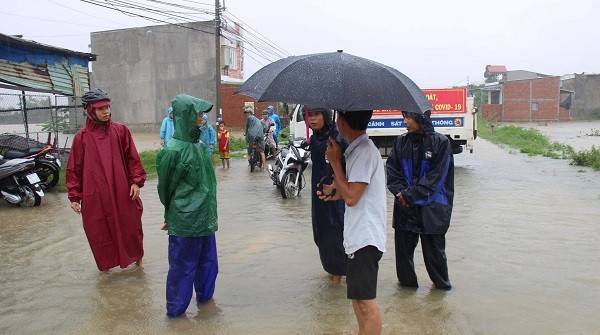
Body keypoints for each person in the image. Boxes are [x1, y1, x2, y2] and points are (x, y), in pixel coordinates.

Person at [318, 110, 387, 335]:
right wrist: (333, 192)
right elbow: (354, 191)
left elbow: (352, 197)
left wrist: (335, 162)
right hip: (358, 236)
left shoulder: (365, 152)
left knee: (366, 304)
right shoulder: (356, 150)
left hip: (365, 238)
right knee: (359, 302)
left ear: (342, 121)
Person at [66, 88, 147, 272]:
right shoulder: (82, 138)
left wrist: (135, 181)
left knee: (131, 225)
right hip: (95, 195)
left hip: (123, 191)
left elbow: (132, 158)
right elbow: (74, 168)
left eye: (108, 107)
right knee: (99, 231)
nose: (106, 112)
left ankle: (138, 264)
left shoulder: (120, 131)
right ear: (90, 110)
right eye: (100, 109)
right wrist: (74, 197)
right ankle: (106, 270)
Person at [156, 94, 219, 318]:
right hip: (184, 221)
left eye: (202, 115)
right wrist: (169, 215)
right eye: (198, 114)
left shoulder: (201, 147)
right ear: (186, 116)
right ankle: (175, 315)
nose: (202, 119)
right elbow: (165, 189)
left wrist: (211, 214)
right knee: (182, 271)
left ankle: (206, 307)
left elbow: (209, 184)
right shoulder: (171, 151)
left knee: (208, 266)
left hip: (205, 220)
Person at [385, 110, 454, 290]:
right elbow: (392, 171)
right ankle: (407, 297)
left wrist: (409, 195)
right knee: (403, 258)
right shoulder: (401, 142)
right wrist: (401, 193)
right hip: (404, 207)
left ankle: (441, 292)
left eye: (409, 117)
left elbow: (436, 178)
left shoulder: (441, 143)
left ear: (421, 118)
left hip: (433, 209)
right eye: (404, 117)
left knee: (435, 258)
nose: (405, 122)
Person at [306, 106, 348, 284]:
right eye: (309, 115)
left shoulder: (337, 139)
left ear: (326, 116)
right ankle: (333, 271)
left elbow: (347, 171)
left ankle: (338, 278)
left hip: (336, 196)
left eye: (316, 114)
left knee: (335, 234)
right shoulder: (315, 139)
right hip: (318, 195)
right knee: (321, 234)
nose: (312, 119)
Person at [243, 106, 266, 171]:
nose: (246, 114)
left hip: (252, 136)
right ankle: (264, 168)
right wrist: (263, 132)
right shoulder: (258, 120)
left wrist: (245, 133)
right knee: (262, 152)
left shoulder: (249, 118)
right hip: (260, 136)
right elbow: (265, 126)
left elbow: (247, 127)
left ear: (250, 113)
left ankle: (250, 164)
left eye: (247, 113)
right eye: (246, 113)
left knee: (249, 150)